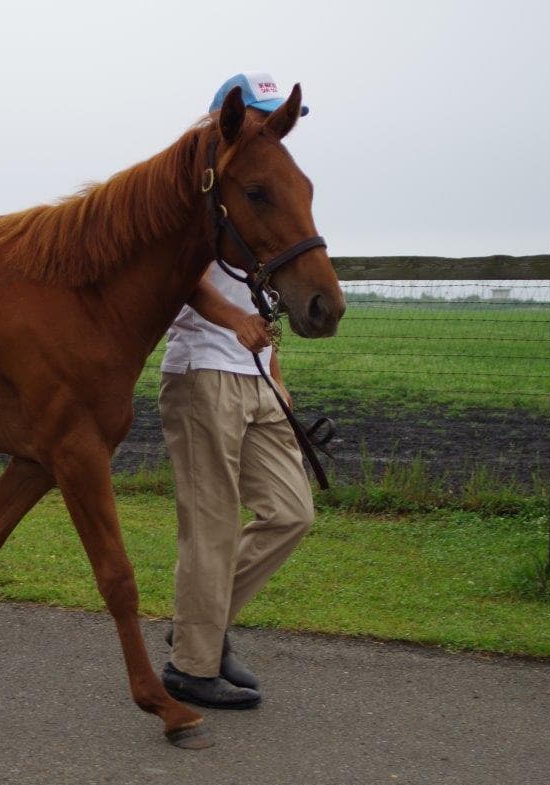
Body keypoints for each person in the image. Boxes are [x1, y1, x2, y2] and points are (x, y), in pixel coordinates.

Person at [158, 72, 316, 710]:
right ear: (232, 119)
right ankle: (191, 666)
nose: (276, 127)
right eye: (265, 115)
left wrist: (275, 370)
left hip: (256, 376)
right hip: (202, 372)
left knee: (291, 512)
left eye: (281, 117)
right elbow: (180, 279)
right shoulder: (188, 191)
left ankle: (202, 625)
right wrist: (235, 323)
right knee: (213, 525)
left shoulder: (263, 189)